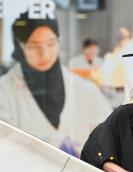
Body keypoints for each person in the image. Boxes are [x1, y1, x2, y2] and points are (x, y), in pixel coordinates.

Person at [0, 11, 112, 157]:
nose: (45, 54)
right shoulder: (4, 91)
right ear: (20, 46)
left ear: (59, 41)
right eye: (34, 46)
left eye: (51, 43)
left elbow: (110, 139)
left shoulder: (85, 90)